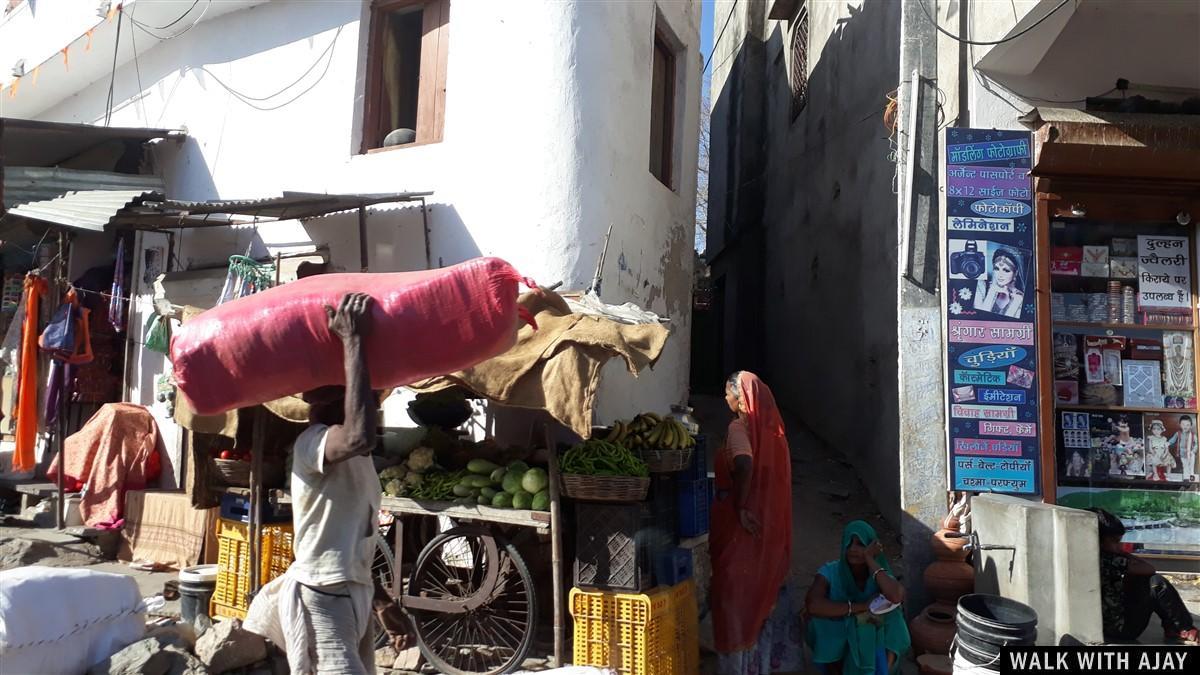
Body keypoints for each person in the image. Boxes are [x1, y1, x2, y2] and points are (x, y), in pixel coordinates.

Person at [246, 293, 407, 672]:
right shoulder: (312, 442)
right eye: (366, 396)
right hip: (322, 597)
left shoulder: (358, 460)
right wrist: (353, 341)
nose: (374, 403)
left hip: (352, 595)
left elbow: (349, 545)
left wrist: (382, 602)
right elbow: (358, 435)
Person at [710, 371, 800, 674]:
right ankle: (760, 666)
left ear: (741, 397)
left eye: (728, 393)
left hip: (741, 524)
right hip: (770, 527)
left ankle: (736, 667)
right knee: (762, 593)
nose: (725, 398)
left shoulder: (739, 428)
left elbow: (744, 463)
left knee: (734, 594)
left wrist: (742, 504)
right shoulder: (776, 436)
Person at [806, 521, 910, 675]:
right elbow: (813, 605)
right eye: (849, 544)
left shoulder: (877, 573)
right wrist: (861, 607)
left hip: (874, 626)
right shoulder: (830, 571)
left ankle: (883, 671)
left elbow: (896, 596)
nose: (853, 549)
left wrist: (870, 560)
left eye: (860, 544)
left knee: (894, 620)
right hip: (842, 621)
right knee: (818, 623)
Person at [1089, 508, 1198, 645]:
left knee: (1138, 580)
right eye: (1115, 542)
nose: (1118, 546)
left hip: (1101, 626)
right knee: (1156, 583)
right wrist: (1124, 554)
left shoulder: (1090, 557)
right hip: (1121, 630)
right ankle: (1180, 627)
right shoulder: (1110, 560)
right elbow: (1149, 569)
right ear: (1099, 540)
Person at [973, 247, 1025, 318]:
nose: (1000, 275)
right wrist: (991, 292)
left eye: (1006, 270)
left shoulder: (1020, 298)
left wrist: (1016, 303)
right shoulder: (982, 286)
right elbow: (979, 318)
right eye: (996, 269)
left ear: (1016, 273)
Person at [1170, 415, 1198, 481]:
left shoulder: (1193, 435)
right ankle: (1186, 478)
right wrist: (1167, 443)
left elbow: (1197, 444)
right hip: (1182, 453)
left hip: (1191, 453)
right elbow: (1172, 440)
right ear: (1180, 425)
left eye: (1187, 425)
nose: (1185, 426)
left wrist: (1193, 451)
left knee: (1191, 466)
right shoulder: (1178, 433)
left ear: (1191, 426)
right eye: (1183, 424)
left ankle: (1191, 477)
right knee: (1185, 465)